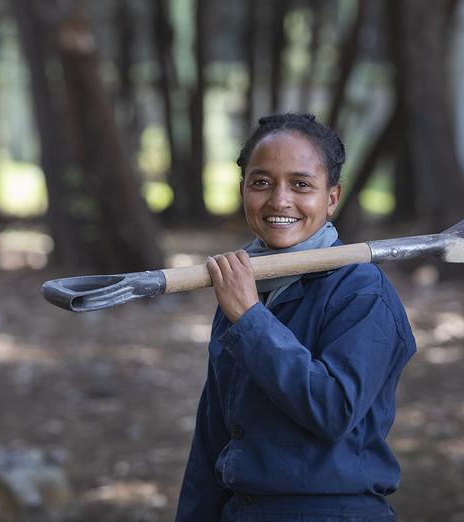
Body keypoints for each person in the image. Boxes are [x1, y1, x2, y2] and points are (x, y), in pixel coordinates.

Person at [175, 113, 416, 521]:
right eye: (262, 182)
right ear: (243, 190)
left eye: (301, 184)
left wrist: (250, 319)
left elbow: (333, 409)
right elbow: (213, 438)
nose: (279, 200)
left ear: (332, 198)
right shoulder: (241, 285)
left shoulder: (361, 291)